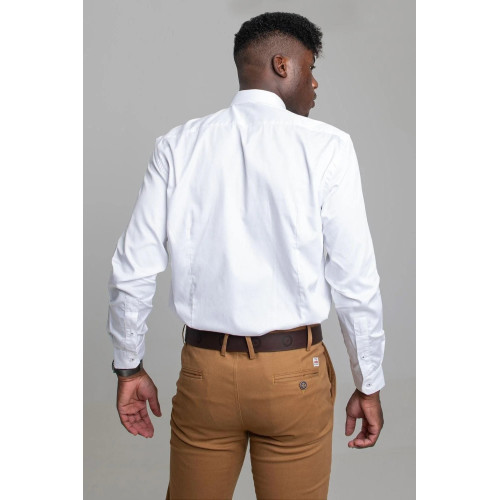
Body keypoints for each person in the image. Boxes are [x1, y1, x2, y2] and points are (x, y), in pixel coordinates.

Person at [107, 11, 385, 500]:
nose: (315, 83)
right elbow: (354, 280)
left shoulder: (178, 145)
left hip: (205, 374)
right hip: (293, 375)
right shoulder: (328, 147)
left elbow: (132, 270)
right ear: (282, 64)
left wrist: (129, 367)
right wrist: (369, 382)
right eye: (310, 67)